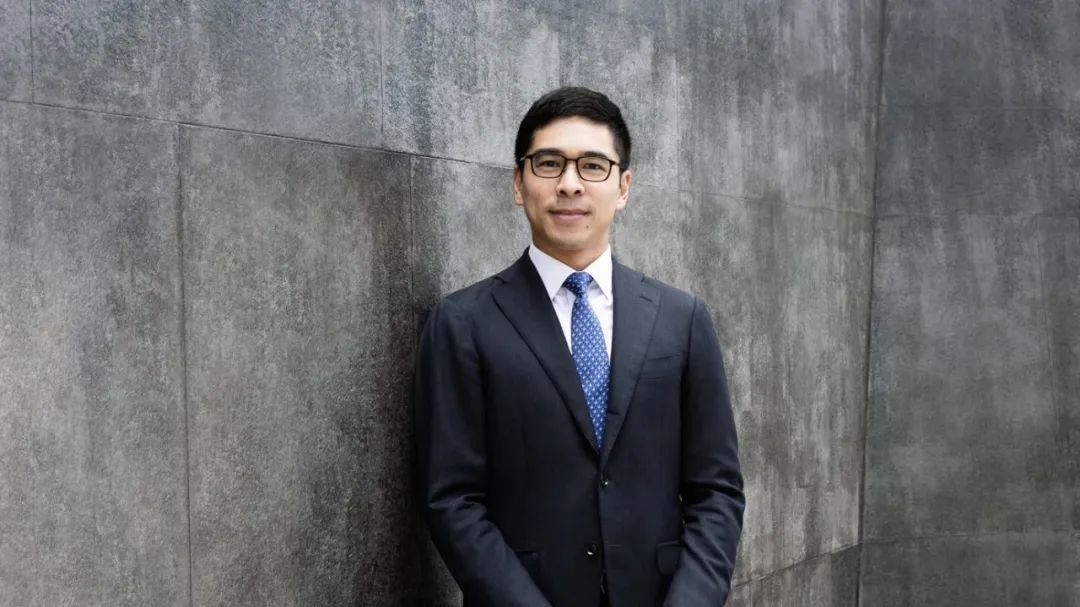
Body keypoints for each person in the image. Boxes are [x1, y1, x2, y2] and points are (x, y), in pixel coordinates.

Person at [414, 86, 744, 607]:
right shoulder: (463, 323)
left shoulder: (682, 319)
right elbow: (452, 499)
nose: (569, 184)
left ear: (623, 187)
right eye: (549, 164)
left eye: (593, 165)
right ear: (519, 183)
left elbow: (716, 490)